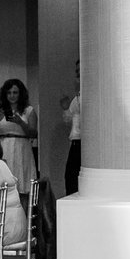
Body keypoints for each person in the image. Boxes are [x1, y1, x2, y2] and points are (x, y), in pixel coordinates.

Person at [0, 78, 37, 186]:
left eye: (15, 92)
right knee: (2, 179)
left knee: (22, 179)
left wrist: (21, 123)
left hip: (22, 147)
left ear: (20, 94)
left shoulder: (29, 110)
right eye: (9, 93)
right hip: (3, 146)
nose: (12, 95)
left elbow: (33, 133)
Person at [60, 60, 81, 196]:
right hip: (75, 143)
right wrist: (66, 108)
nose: (78, 73)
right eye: (77, 71)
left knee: (76, 181)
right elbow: (69, 119)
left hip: (84, 145)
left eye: (80, 70)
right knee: (71, 180)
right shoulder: (77, 97)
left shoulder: (92, 94)